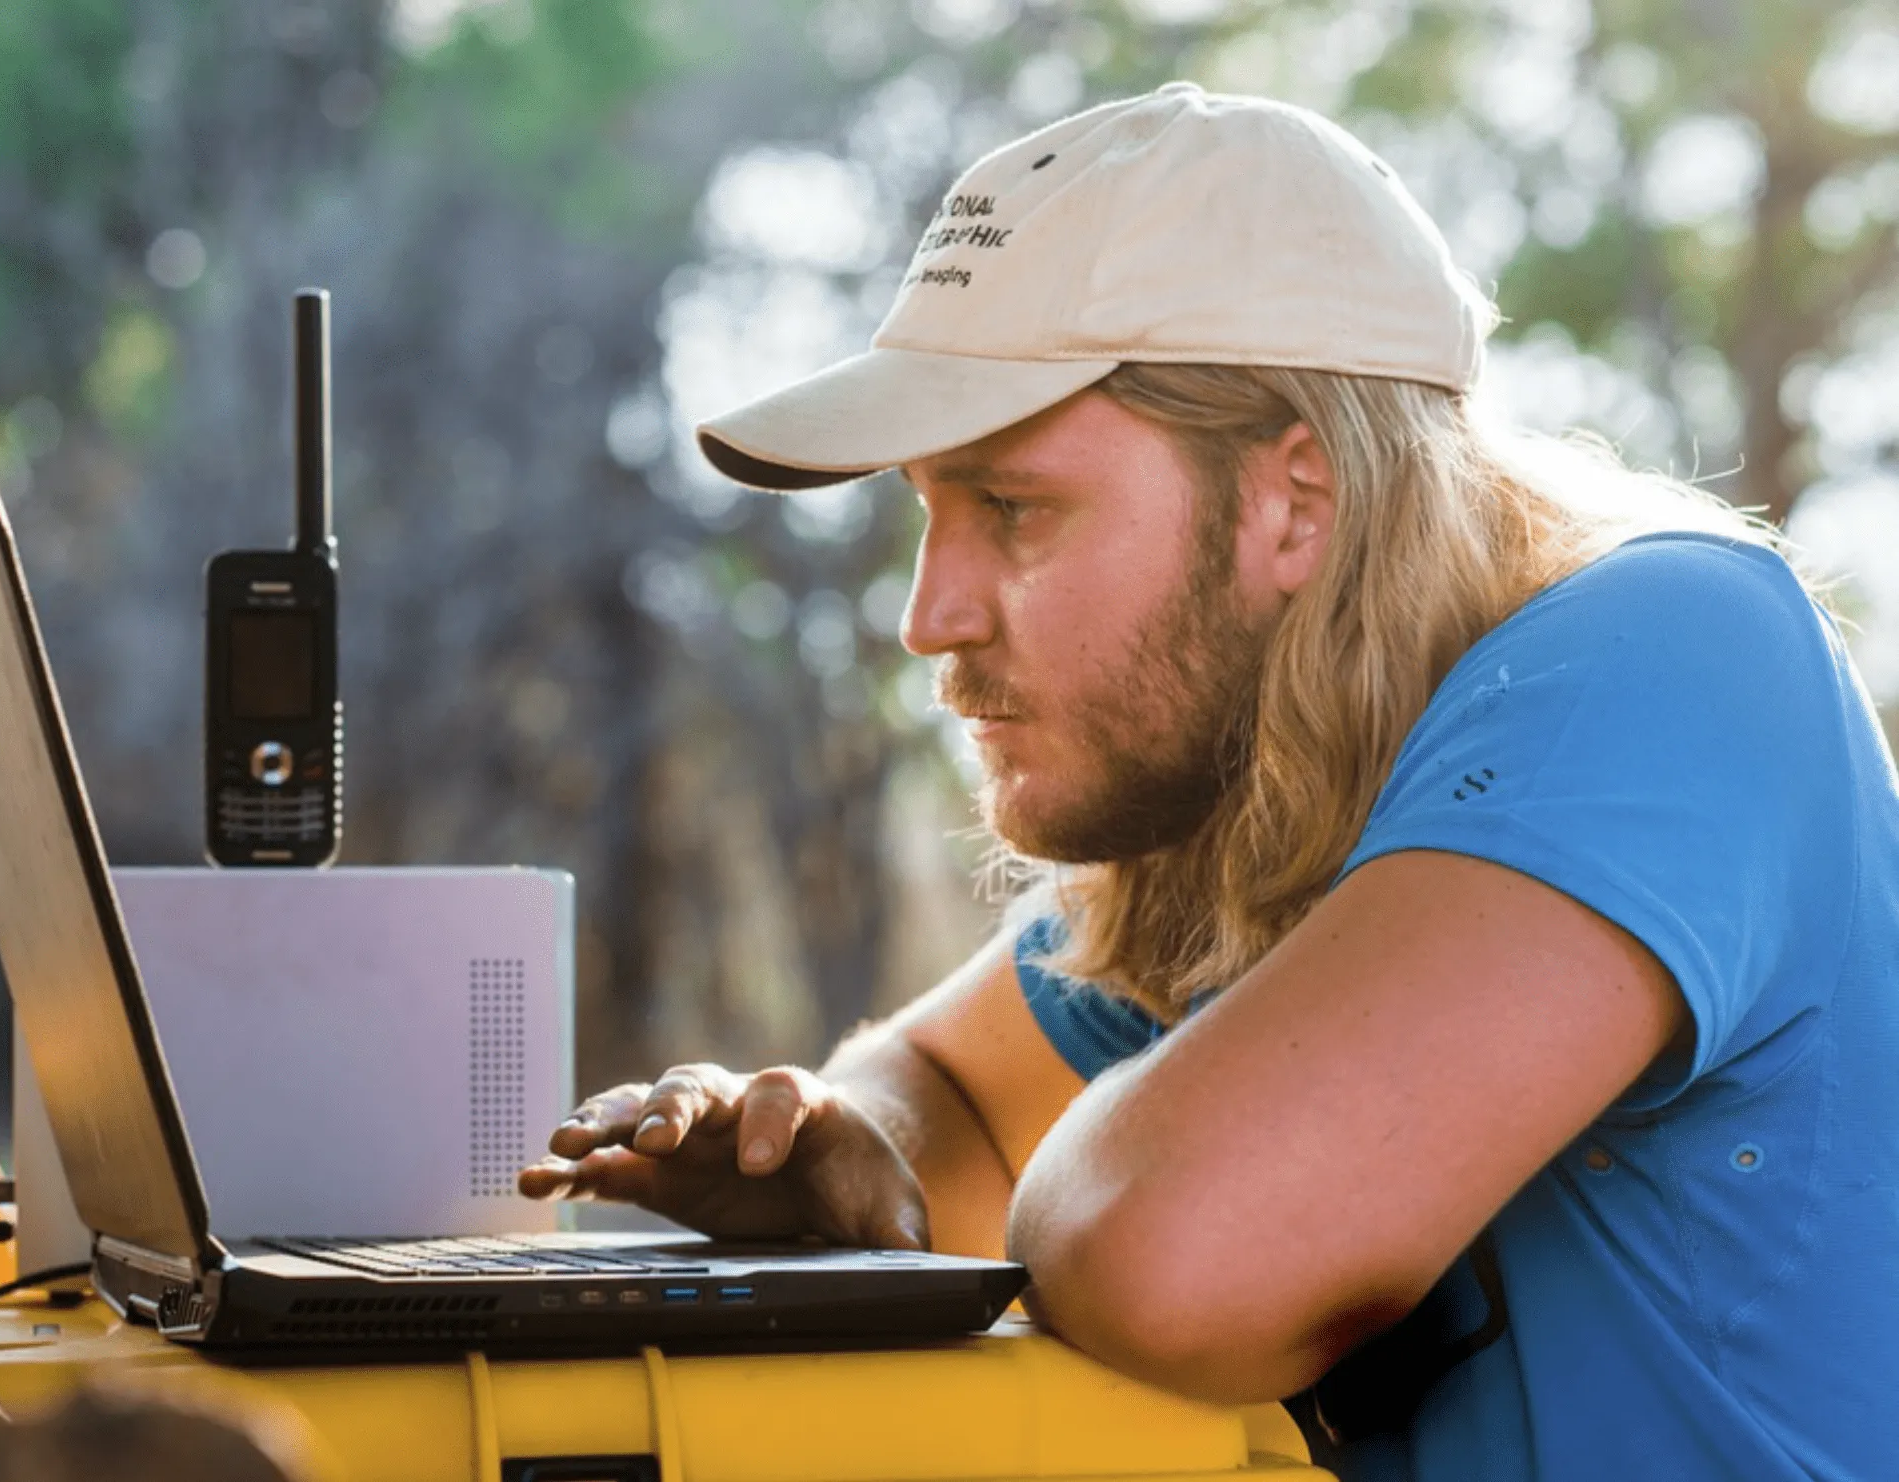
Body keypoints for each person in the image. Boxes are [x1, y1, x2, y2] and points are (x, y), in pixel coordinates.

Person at [517, 84, 1899, 1480]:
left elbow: (1176, 1254)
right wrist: (847, 1145)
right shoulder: (1277, 792)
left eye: (1011, 506)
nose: (926, 615)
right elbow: (938, 1079)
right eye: (925, 512)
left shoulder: (1676, 662)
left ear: (1292, 500)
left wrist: (1044, 1176)